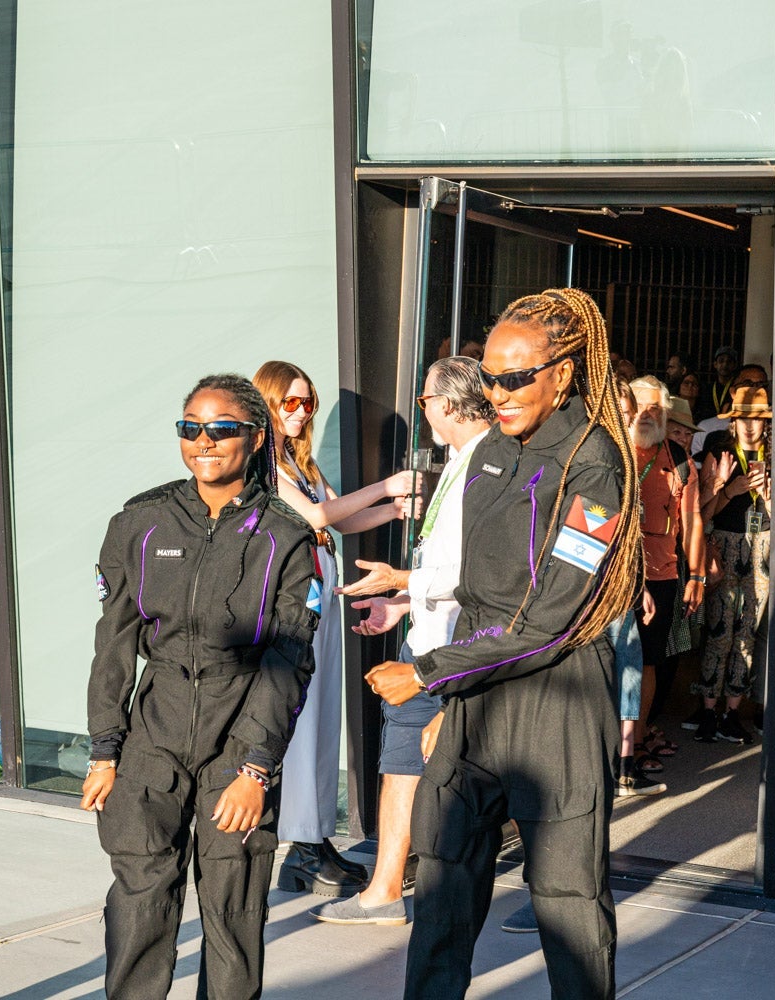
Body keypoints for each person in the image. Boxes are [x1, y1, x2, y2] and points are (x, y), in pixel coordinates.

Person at [365, 286, 642, 1000]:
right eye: (490, 377)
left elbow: (549, 620)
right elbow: (475, 589)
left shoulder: (595, 463)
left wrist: (430, 673)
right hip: (476, 700)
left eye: (517, 377)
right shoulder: (489, 450)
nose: (499, 393)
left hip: (558, 702)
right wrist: (445, 690)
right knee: (442, 885)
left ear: (564, 373)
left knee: (568, 901)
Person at [81, 373, 320, 998]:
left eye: (221, 429)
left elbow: (290, 659)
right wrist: (105, 749)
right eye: (191, 428)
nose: (203, 442)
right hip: (153, 732)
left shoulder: (287, 536)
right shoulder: (140, 523)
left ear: (256, 436)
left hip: (239, 734)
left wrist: (255, 768)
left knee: (233, 905)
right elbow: (113, 644)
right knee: (139, 900)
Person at [321, 355, 494, 925]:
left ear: (446, 405)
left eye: (424, 400)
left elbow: (478, 572)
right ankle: (386, 890)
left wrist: (400, 580)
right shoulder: (461, 460)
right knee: (403, 762)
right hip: (431, 636)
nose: (422, 411)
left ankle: (400, 891)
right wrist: (402, 602)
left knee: (434, 767)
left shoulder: (485, 466)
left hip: (452, 649)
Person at [252, 360, 420, 896]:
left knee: (323, 715)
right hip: (289, 605)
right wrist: (387, 486)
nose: (301, 412)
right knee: (303, 719)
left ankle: (314, 839)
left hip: (318, 597)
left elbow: (341, 518)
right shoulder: (260, 461)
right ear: (268, 402)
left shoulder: (295, 461)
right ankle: (303, 844)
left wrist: (393, 510)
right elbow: (316, 517)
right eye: (291, 402)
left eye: (309, 403)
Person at [686, 385, 772, 743]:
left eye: (757, 419)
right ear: (733, 421)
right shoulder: (719, 448)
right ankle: (708, 709)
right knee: (719, 630)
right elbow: (703, 511)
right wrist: (730, 491)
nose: (750, 426)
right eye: (743, 418)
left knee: (748, 630)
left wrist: (767, 496)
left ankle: (732, 711)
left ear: (766, 423)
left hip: (762, 544)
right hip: (723, 542)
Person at [629, 376, 705, 773]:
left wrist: (697, 576)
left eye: (655, 409)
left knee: (648, 663)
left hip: (660, 575)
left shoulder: (678, 459)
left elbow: (692, 521)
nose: (646, 414)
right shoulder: (611, 450)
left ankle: (638, 740)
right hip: (613, 576)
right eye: (639, 406)